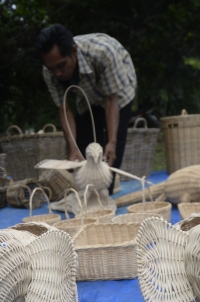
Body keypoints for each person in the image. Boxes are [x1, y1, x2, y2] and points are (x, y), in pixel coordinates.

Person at [35, 24, 137, 194]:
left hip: (118, 92)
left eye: (61, 66)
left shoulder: (103, 52)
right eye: (52, 68)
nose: (58, 73)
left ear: (73, 52)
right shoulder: (49, 71)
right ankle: (89, 193)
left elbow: (111, 100)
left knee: (111, 152)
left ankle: (104, 195)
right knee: (84, 146)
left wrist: (111, 142)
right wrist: (73, 149)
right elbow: (64, 110)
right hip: (88, 95)